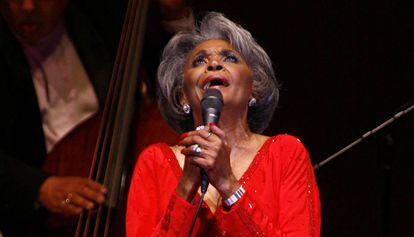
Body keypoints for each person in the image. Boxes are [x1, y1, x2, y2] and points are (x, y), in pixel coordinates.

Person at [0, 0, 192, 236]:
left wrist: (174, 15)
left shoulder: (102, 20)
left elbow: (172, 81)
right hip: (43, 219)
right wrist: (39, 187)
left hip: (126, 189)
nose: (28, 7)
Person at [126, 12, 321, 236]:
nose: (214, 64)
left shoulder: (286, 154)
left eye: (230, 58)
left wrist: (228, 183)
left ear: (254, 88)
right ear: (182, 96)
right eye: (200, 61)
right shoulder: (154, 162)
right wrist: (187, 184)